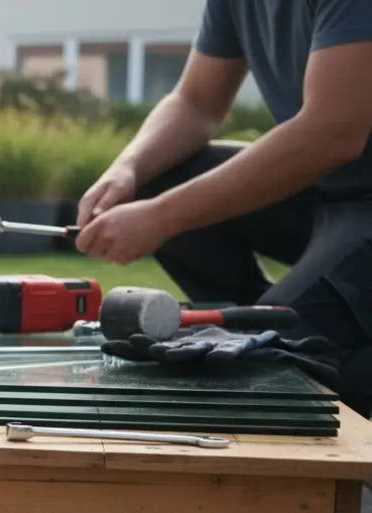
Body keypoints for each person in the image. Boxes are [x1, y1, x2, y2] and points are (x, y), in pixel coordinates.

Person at [74, 0, 372, 416]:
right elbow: (196, 102)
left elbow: (333, 131)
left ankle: (287, 348)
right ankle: (252, 328)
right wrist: (126, 169)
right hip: (325, 198)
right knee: (156, 180)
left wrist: (162, 216)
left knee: (270, 357)